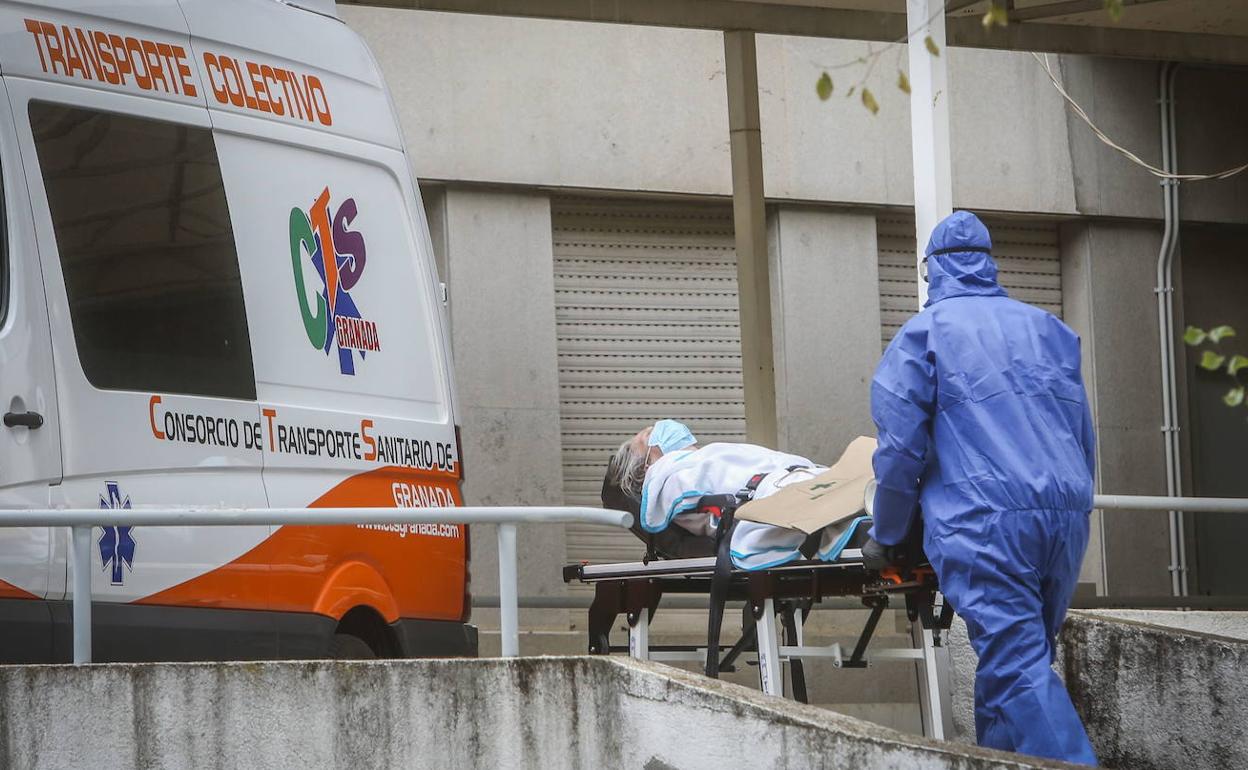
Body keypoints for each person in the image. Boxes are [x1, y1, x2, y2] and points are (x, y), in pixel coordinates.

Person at [864, 211, 1098, 765]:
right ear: (989, 262)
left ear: (931, 271)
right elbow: (1083, 432)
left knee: (1016, 666)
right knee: (1014, 660)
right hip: (1065, 515)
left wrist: (888, 532)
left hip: (986, 519)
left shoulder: (926, 333)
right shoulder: (1048, 329)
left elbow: (900, 449)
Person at [603, 420, 866, 569]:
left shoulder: (710, 454)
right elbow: (677, 496)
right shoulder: (667, 477)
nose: (658, 426)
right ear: (648, 462)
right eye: (648, 434)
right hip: (785, 498)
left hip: (811, 481)